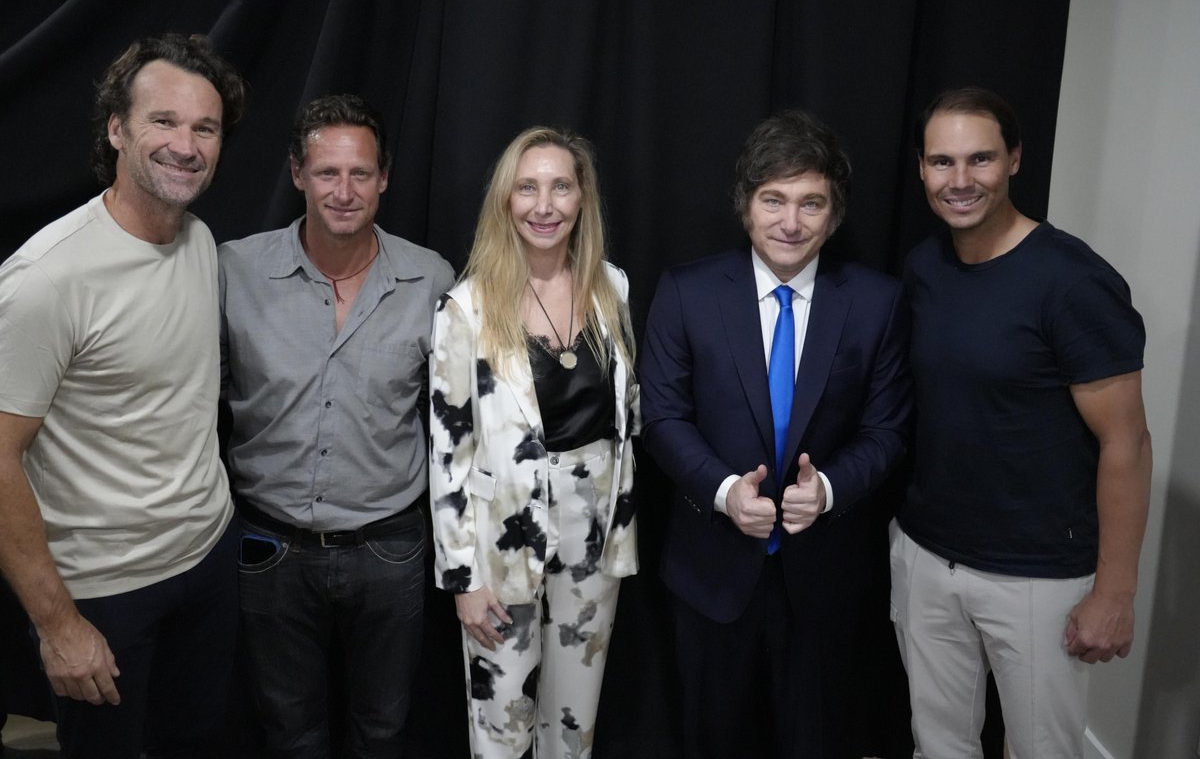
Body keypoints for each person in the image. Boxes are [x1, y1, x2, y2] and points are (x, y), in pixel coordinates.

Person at [0, 33, 246, 758]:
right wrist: (58, 625)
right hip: (105, 592)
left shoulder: (199, 241)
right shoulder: (48, 278)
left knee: (196, 744)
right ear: (116, 128)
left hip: (207, 559)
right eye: (163, 121)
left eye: (205, 128)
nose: (186, 146)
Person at [639, 109, 911, 759]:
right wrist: (725, 490)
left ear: (834, 213)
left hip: (826, 581)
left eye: (811, 203)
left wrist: (830, 489)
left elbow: (888, 429)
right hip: (711, 575)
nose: (791, 221)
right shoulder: (687, 292)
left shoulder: (877, 302)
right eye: (774, 200)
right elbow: (662, 417)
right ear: (745, 204)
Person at [891, 87, 1152, 758]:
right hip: (926, 553)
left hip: (1038, 575)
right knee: (937, 744)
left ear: (1014, 159)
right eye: (942, 161)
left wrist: (1115, 592)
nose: (960, 179)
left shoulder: (1072, 281)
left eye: (980, 158)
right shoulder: (923, 268)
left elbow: (1126, 441)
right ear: (921, 169)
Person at [219, 93, 454, 757]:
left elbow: (460, 422)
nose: (344, 191)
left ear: (384, 179)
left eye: (360, 173)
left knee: (384, 729)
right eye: (327, 172)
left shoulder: (430, 278)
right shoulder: (235, 270)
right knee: (289, 733)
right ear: (298, 174)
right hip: (269, 547)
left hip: (390, 548)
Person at [428, 126, 638, 759]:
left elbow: (626, 415)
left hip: (594, 538)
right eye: (527, 188)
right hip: (502, 541)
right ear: (505, 199)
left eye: (560, 187)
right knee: (502, 726)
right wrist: (462, 579)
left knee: (574, 725)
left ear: (582, 198)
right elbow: (448, 452)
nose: (544, 206)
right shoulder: (465, 307)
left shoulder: (613, 288)